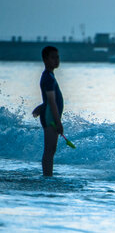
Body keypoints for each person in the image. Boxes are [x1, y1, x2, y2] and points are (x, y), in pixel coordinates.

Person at [32, 46, 64, 176]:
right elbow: (51, 101)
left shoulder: (49, 76)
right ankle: (47, 176)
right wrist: (58, 122)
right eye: (53, 57)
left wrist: (40, 107)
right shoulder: (48, 78)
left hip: (49, 115)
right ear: (45, 60)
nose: (56, 60)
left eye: (57, 57)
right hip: (50, 117)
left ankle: (48, 175)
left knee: (52, 149)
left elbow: (48, 100)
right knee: (49, 150)